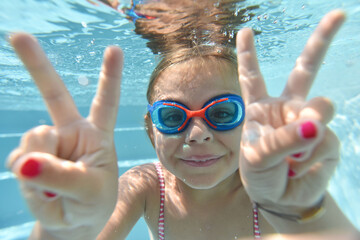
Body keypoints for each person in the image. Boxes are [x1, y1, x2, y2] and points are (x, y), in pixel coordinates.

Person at [6, 4, 359, 240]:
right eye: (173, 117)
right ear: (150, 131)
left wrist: (300, 213)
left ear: (249, 123)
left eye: (222, 113)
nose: (199, 134)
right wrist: (66, 233)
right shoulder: (145, 188)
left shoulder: (264, 194)